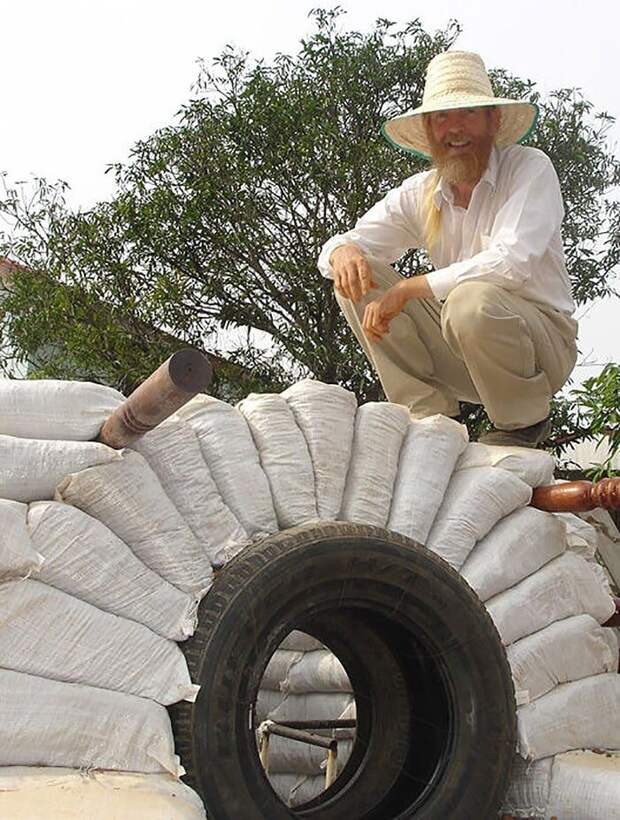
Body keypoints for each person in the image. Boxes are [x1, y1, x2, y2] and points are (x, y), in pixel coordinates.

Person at [318, 51, 578, 448]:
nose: (455, 128)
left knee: (469, 301)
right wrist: (343, 253)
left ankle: (520, 423)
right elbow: (346, 244)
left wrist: (408, 289)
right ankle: (428, 422)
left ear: (493, 121)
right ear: (428, 129)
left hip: (540, 351)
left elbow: (511, 263)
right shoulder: (419, 192)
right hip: (462, 352)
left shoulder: (529, 168)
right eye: (442, 117)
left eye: (469, 113)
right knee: (356, 274)